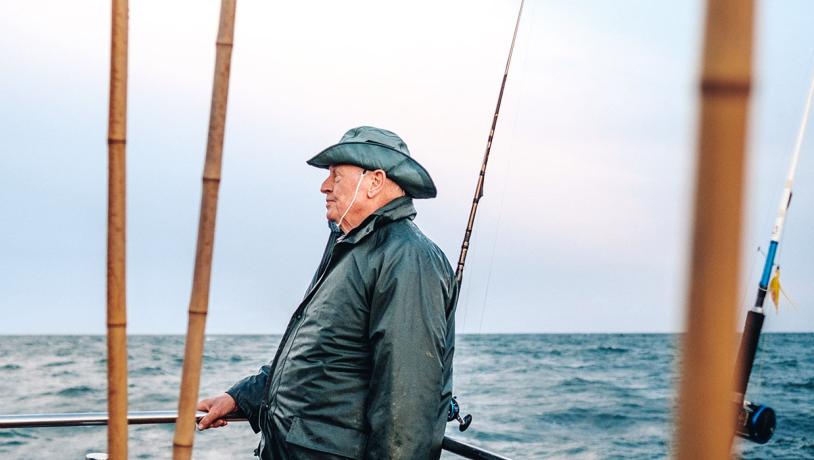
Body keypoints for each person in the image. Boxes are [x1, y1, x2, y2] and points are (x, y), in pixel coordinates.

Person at [197, 126, 458, 459]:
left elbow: (406, 410)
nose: (324, 186)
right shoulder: (350, 249)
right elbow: (321, 358)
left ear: (374, 182)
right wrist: (240, 398)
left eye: (336, 175)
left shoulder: (407, 257)